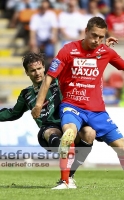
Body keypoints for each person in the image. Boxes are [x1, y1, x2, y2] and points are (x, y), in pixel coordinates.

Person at [31, 16, 124, 190]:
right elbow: (49, 77)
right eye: (94, 35)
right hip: (72, 105)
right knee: (69, 132)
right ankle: (65, 181)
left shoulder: (105, 51)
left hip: (97, 111)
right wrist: (38, 104)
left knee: (122, 147)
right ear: (86, 31)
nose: (96, 40)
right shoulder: (68, 50)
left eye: (100, 37)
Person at [0, 52, 95, 189]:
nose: (37, 73)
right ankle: (65, 165)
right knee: (53, 133)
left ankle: (69, 176)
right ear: (27, 73)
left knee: (90, 133)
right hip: (48, 130)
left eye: (39, 69)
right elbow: (13, 113)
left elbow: (79, 70)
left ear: (44, 68)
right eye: (32, 70)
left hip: (69, 123)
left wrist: (94, 56)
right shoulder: (26, 94)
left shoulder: (59, 81)